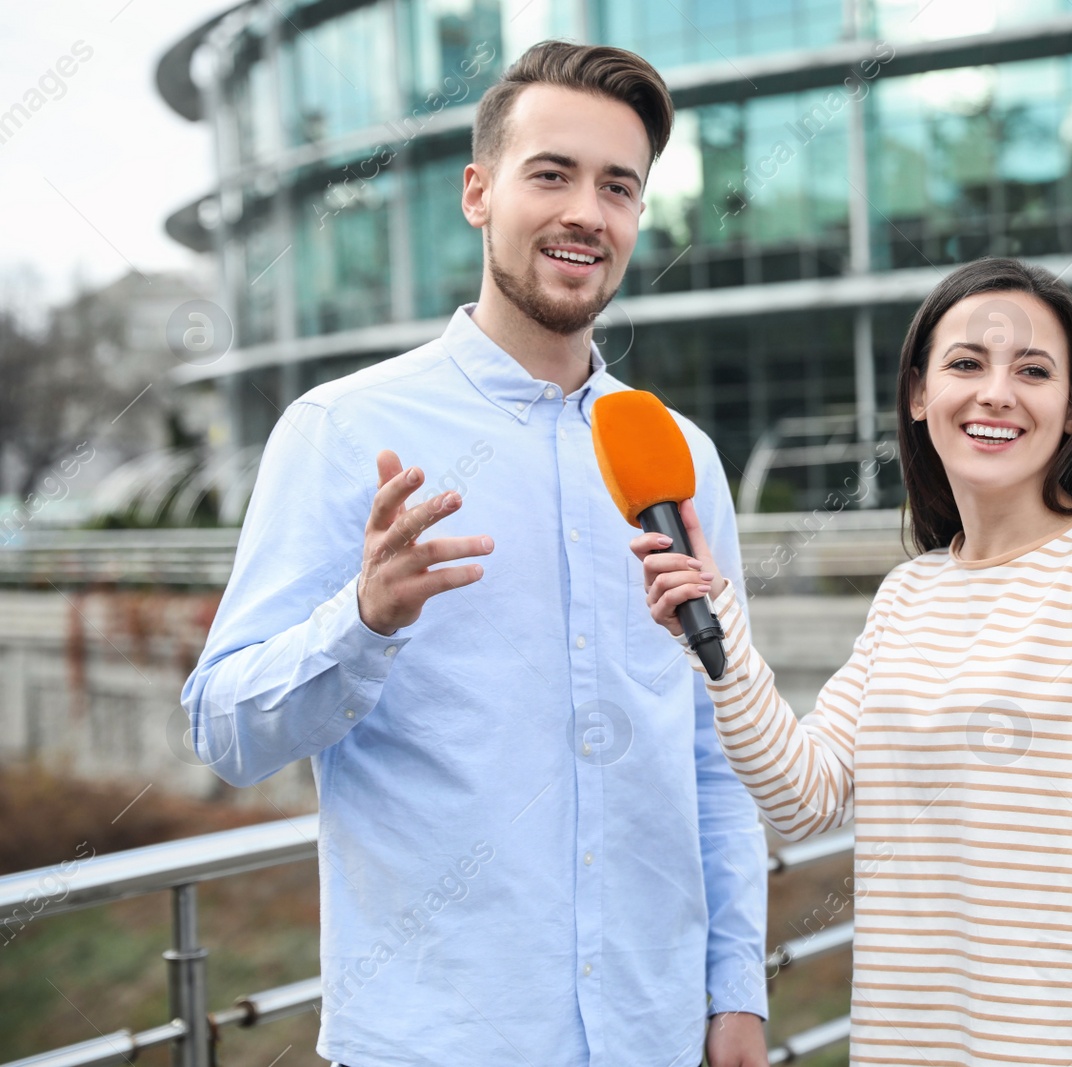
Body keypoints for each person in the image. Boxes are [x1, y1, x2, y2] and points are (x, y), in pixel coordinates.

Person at [181, 41, 769, 1067]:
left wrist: (736, 989)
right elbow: (226, 731)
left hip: (655, 1030)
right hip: (436, 1039)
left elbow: (712, 749)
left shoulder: (681, 458)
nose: (587, 210)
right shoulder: (339, 431)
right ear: (477, 192)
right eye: (552, 174)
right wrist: (363, 619)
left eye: (618, 187)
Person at [633, 257, 1072, 1066]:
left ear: (1070, 411)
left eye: (1033, 371)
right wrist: (716, 636)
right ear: (920, 394)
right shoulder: (907, 595)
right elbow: (803, 796)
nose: (997, 391)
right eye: (967, 363)